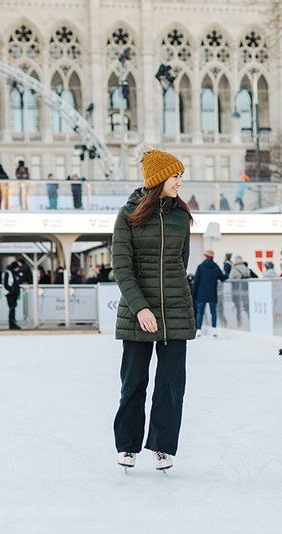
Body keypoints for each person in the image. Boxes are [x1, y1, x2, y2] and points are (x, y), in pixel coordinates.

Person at [111, 146, 195, 472]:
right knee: (133, 384)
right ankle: (128, 445)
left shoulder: (180, 216)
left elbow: (180, 263)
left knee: (171, 387)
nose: (179, 182)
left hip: (175, 311)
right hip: (138, 314)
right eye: (176, 176)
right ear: (159, 177)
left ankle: (162, 446)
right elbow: (122, 267)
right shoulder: (128, 215)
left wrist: (173, 299)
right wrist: (140, 308)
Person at [192, 249, 226, 337]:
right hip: (212, 293)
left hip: (201, 294)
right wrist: (227, 271)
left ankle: (198, 330)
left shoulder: (200, 267)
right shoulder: (215, 267)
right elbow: (222, 277)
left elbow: (196, 282)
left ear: (205, 256)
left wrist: (193, 294)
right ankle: (214, 329)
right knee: (213, 312)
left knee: (200, 313)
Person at [228, 255, 252, 323]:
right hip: (246, 291)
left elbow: (230, 278)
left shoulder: (234, 269)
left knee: (238, 308)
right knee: (246, 306)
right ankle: (249, 319)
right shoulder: (246, 268)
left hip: (237, 292)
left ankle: (239, 322)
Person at [2, 260, 24, 330]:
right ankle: (12, 324)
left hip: (13, 294)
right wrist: (11, 291)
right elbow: (6, 284)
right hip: (11, 294)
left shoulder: (13, 273)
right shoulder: (9, 273)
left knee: (13, 309)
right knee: (12, 309)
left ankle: (13, 323)